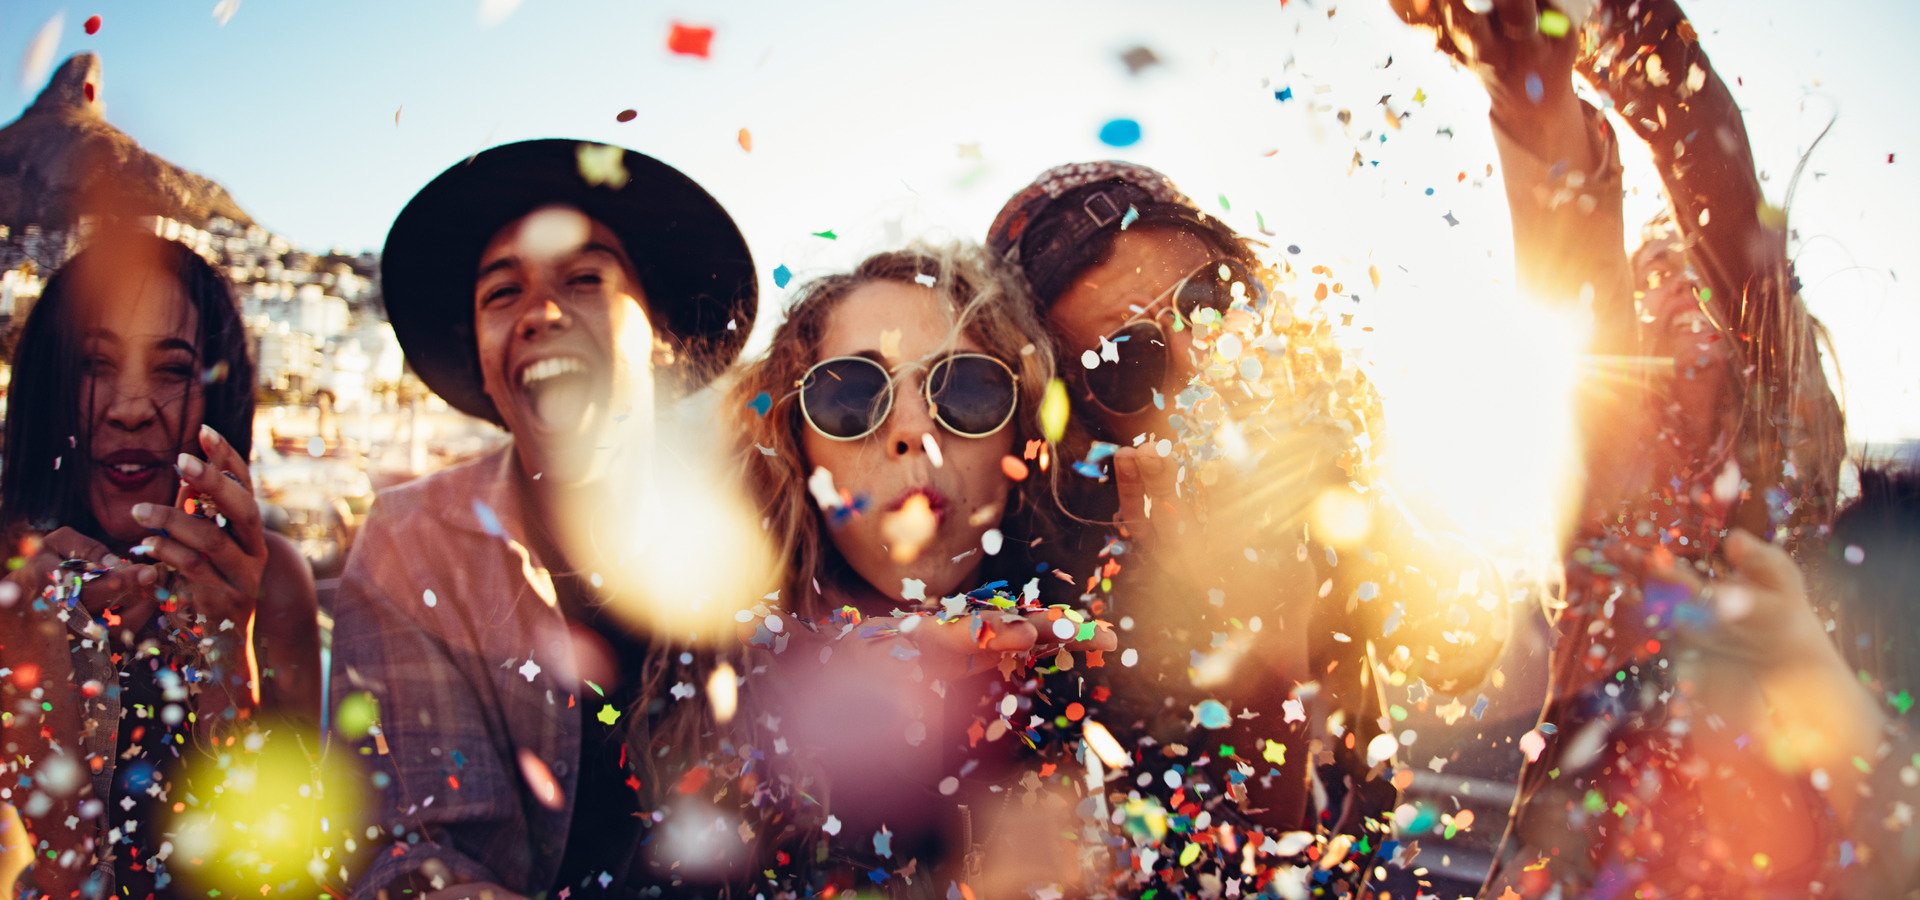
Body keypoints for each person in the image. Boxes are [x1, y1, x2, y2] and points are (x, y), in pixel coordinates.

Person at [1392, 0, 1846, 892]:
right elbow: (1577, 272)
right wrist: (1531, 108)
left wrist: (1628, 28)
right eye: (1652, 279)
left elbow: (1725, 206)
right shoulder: (1608, 490)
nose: (1677, 292)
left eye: (1695, 274)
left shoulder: (1787, 469)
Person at [986, 162, 1508, 894]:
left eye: (1213, 302)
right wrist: (1254, 631)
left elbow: (1462, 645)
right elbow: (1235, 875)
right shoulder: (1062, 610)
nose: (1205, 360)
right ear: (1073, 418)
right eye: (1128, 358)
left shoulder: (1318, 467)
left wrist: (1373, 521)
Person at [327, 139, 766, 897]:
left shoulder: (765, 529)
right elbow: (412, 854)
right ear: (489, 372)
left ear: (660, 335)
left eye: (585, 278)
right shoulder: (413, 544)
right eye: (502, 293)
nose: (542, 312)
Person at [727, 244, 1114, 894]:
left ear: (1019, 436)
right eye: (850, 394)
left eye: (965, 387)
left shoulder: (1101, 669)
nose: (913, 427)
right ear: (795, 441)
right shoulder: (698, 679)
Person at [0, 228, 320, 897]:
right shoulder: (8, 578)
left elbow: (287, 864)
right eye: (94, 364)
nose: (132, 409)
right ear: (50, 388)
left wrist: (224, 657)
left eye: (173, 370)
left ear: (216, 398)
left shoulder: (273, 582)